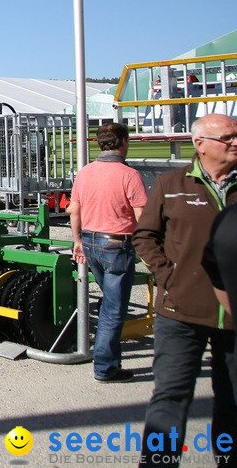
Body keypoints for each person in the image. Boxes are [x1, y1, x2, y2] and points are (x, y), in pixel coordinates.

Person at [132, 114, 237, 465]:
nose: (235, 142)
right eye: (228, 137)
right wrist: (168, 277)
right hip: (180, 311)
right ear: (200, 144)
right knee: (171, 395)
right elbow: (145, 236)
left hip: (234, 314)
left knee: (233, 397)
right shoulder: (171, 183)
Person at [68, 122, 148, 382]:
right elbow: (142, 217)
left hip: (91, 243)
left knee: (109, 305)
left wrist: (77, 240)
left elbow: (75, 211)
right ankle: (105, 367)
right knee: (114, 310)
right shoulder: (129, 175)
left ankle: (107, 358)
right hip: (116, 244)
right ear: (123, 142)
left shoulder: (85, 173)